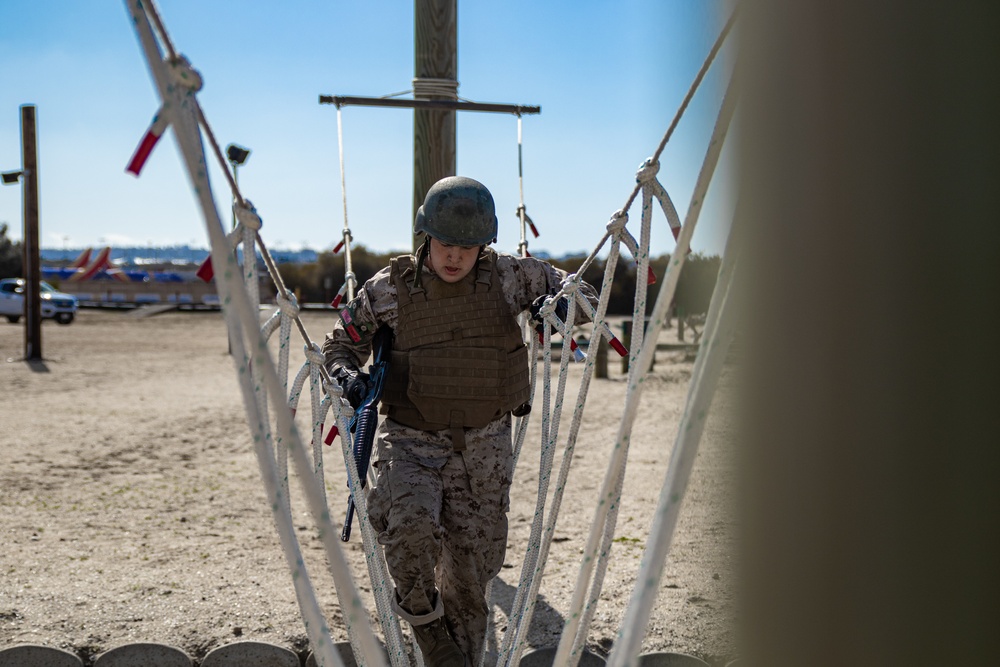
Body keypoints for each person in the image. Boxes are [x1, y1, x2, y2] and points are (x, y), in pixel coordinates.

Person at [323, 176, 598, 667]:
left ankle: (459, 659)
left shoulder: (515, 276)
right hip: (408, 441)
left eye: (468, 247)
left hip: (485, 448)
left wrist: (553, 308)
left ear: (484, 245)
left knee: (472, 578)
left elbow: (586, 302)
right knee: (408, 532)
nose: (455, 257)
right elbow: (339, 343)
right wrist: (347, 376)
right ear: (426, 236)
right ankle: (429, 633)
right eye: (446, 244)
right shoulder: (387, 290)